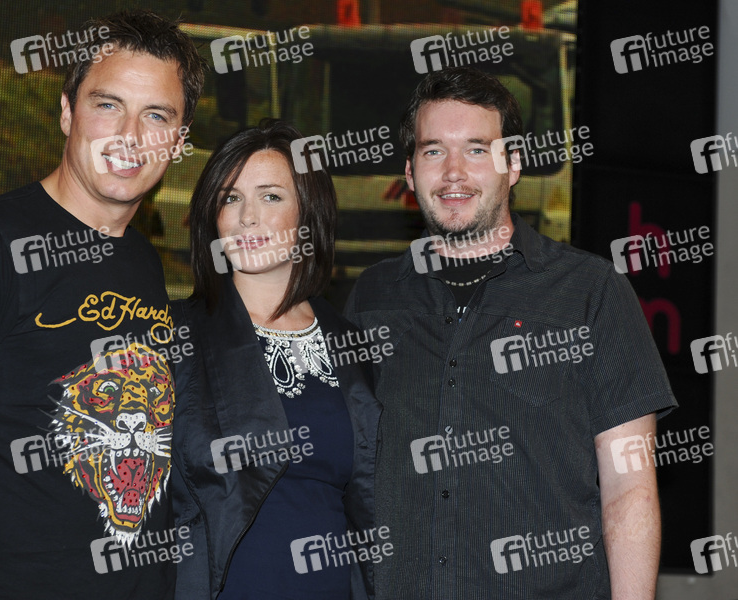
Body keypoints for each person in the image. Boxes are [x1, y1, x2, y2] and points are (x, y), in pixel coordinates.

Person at [0, 10, 204, 599]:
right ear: (66, 112)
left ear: (178, 141)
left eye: (157, 115)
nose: (130, 133)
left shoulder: (143, 262)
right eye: (108, 104)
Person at [344, 67, 677, 599]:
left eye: (477, 150)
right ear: (409, 171)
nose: (453, 172)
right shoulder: (373, 296)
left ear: (514, 164)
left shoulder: (590, 292)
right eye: (433, 151)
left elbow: (629, 488)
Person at [169, 120, 381, 599]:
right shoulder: (173, 336)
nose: (247, 217)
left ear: (309, 211)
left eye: (270, 196)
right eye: (230, 198)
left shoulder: (353, 344)